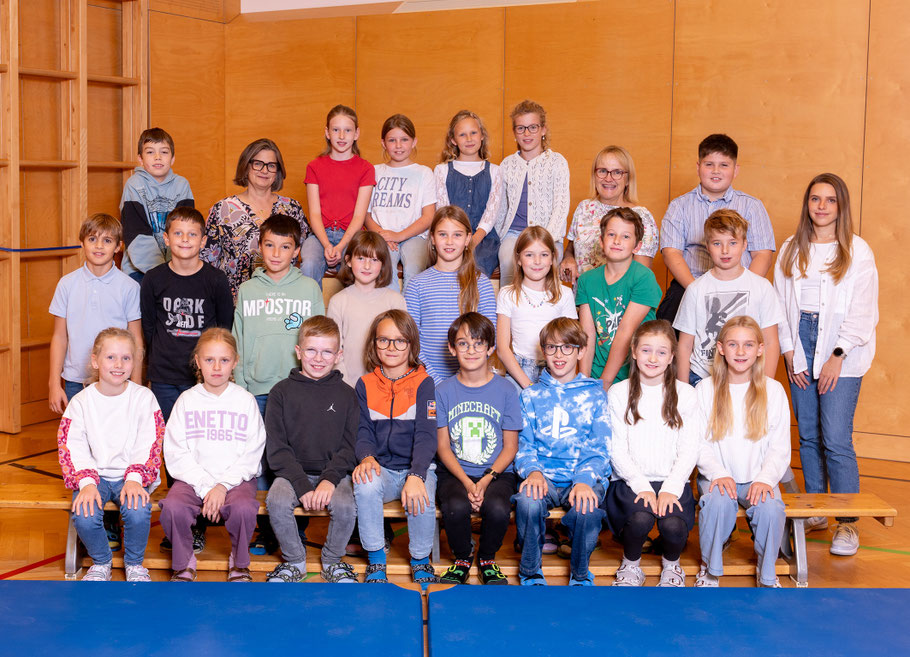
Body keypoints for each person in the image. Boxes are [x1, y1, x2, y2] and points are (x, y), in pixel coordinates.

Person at [774, 173, 878, 556]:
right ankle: (816, 509)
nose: (821, 206)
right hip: (800, 344)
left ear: (840, 206)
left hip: (840, 350)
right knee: (807, 435)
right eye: (815, 199)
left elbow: (863, 312)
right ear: (807, 204)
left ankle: (847, 523)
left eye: (830, 200)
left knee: (835, 437)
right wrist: (790, 352)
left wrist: (837, 354)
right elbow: (779, 306)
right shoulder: (791, 248)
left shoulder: (857, 250)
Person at [159, 329, 265, 583]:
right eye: (209, 360)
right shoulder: (187, 400)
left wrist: (222, 486)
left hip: (236, 480)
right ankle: (184, 563)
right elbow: (175, 451)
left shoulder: (245, 400)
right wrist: (208, 488)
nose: (217, 367)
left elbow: (252, 452)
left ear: (235, 362)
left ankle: (239, 564)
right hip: (194, 480)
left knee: (243, 508)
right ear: (198, 361)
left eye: (224, 360)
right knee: (173, 508)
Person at [57, 327, 162, 582]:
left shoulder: (143, 398)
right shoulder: (81, 402)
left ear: (134, 362)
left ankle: (134, 564)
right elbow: (72, 445)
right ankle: (101, 562)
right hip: (95, 477)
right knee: (84, 514)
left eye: (126, 358)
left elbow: (150, 440)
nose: (119, 364)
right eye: (111, 357)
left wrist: (135, 478)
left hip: (132, 475)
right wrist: (87, 483)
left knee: (138, 510)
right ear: (95, 361)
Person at [513, 317, 610, 586]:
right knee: (527, 501)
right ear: (543, 351)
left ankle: (580, 574)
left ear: (581, 351)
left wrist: (584, 480)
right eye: (552, 347)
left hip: (581, 477)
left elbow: (599, 447)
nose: (559, 355)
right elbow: (524, 444)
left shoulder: (595, 396)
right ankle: (530, 570)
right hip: (543, 477)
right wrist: (533, 472)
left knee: (586, 509)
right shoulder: (530, 396)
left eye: (567, 347)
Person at [695, 316, 790, 588]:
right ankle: (710, 570)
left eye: (748, 345)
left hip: (758, 477)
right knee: (717, 504)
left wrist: (766, 479)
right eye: (733, 344)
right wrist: (718, 473)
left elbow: (780, 446)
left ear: (760, 349)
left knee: (770, 508)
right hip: (718, 475)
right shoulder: (705, 389)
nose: (740, 351)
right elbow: (698, 443)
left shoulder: (773, 390)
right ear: (721, 348)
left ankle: (767, 572)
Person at [265, 316, 360, 583]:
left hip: (336, 475)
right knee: (276, 500)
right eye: (311, 350)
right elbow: (277, 448)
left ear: (338, 355)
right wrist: (301, 484)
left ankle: (332, 561)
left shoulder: (348, 395)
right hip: (291, 474)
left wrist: (329, 480)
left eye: (327, 352)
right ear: (298, 351)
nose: (318, 358)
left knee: (346, 506)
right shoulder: (280, 393)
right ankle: (295, 562)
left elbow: (350, 446)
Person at [606, 320, 698, 587]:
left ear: (671, 357)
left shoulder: (686, 394)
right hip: (630, 480)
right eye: (646, 350)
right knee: (640, 517)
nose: (653, 358)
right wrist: (641, 485)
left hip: (672, 479)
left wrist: (671, 487)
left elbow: (690, 448)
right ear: (634, 351)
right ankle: (631, 565)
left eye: (661, 352)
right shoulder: (619, 392)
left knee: (673, 525)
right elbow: (616, 448)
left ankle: (672, 566)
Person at [435, 313, 521, 585]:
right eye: (463, 343)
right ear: (452, 349)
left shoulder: (507, 390)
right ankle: (462, 558)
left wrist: (484, 481)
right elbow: (442, 446)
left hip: (497, 473)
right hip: (455, 472)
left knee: (497, 508)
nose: (471, 350)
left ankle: (487, 559)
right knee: (455, 506)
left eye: (478, 343)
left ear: (491, 348)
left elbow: (510, 447)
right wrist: (466, 482)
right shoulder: (442, 391)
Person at [353, 309, 437, 584]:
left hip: (417, 467)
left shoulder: (424, 383)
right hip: (384, 470)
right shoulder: (365, 384)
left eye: (400, 341)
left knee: (422, 496)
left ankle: (421, 560)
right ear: (374, 344)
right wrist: (367, 457)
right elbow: (362, 430)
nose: (391, 347)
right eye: (384, 340)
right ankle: (376, 559)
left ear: (411, 344)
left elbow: (426, 435)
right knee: (365, 483)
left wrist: (417, 474)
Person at [657, 133, 775, 323]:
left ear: (735, 170)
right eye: (709, 164)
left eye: (724, 165)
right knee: (666, 324)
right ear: (698, 167)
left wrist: (743, 291)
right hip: (690, 284)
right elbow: (671, 253)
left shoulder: (752, 206)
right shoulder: (679, 206)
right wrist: (697, 291)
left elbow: (763, 254)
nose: (716, 171)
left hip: (740, 286)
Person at [140, 207, 234, 423]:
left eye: (192, 234)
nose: (185, 239)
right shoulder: (153, 279)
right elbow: (149, 327)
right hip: (164, 375)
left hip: (203, 375)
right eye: (178, 233)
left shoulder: (216, 280)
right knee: (166, 432)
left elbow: (224, 327)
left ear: (203, 241)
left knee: (199, 431)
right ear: (166, 239)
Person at [674, 209, 783, 387]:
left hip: (748, 380)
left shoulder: (762, 287)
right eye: (717, 243)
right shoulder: (695, 289)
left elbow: (770, 342)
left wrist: (767, 387)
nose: (725, 250)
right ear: (707, 246)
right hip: (702, 378)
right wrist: (683, 389)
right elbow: (685, 346)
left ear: (744, 244)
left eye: (732, 243)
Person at [49, 213, 142, 412]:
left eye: (107, 240)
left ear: (118, 246)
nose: (99, 246)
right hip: (76, 380)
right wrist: (54, 384)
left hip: (117, 378)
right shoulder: (66, 284)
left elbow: (136, 339)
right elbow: (59, 337)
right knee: (78, 430)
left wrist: (136, 385)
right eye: (92, 239)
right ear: (82, 243)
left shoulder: (129, 287)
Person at [232, 213, 324, 416]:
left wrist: (314, 383)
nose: (276, 253)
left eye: (285, 247)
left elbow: (320, 340)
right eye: (269, 245)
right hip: (256, 392)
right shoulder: (247, 290)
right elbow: (238, 341)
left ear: (296, 251)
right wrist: (241, 387)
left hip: (299, 388)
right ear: (260, 246)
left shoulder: (310, 288)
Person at [203, 138, 308, 301]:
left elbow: (306, 250)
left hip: (284, 300)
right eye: (258, 164)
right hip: (234, 303)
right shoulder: (223, 209)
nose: (264, 170)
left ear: (278, 171)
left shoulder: (292, 208)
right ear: (246, 166)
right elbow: (206, 261)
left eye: (271, 165)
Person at [404, 206, 497, 384]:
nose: (449, 242)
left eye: (457, 235)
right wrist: (436, 381)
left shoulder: (481, 283)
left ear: (468, 239)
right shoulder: (417, 285)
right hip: (427, 379)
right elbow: (412, 341)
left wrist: (462, 381)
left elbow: (490, 337)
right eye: (442, 234)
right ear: (432, 238)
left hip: (470, 380)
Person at [577, 207, 662, 390]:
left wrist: (605, 383)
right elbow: (587, 334)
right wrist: (584, 380)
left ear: (637, 246)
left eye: (626, 236)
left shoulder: (643, 277)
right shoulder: (586, 280)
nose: (617, 241)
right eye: (611, 234)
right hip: (597, 374)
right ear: (601, 241)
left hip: (634, 378)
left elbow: (625, 332)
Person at [497, 99, 570, 286]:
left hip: (548, 235)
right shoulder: (506, 165)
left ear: (543, 129)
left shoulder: (557, 162)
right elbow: (501, 209)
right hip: (513, 234)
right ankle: (508, 303)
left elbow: (561, 207)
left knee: (545, 264)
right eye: (521, 128)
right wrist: (498, 239)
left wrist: (545, 241)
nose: (527, 133)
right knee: (508, 261)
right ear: (514, 132)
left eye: (533, 127)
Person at [561, 145, 658, 284]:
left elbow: (640, 278)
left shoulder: (642, 217)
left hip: (620, 297)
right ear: (594, 175)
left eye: (617, 172)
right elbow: (570, 249)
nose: (608, 178)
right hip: (582, 296)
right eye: (602, 171)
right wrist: (568, 259)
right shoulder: (584, 208)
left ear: (628, 179)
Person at [302, 105, 376, 288]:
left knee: (357, 265)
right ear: (327, 133)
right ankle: (313, 307)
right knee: (309, 264)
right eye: (336, 130)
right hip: (320, 235)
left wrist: (341, 245)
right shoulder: (314, 167)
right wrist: (327, 245)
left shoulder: (366, 168)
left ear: (356, 134)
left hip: (352, 236)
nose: (342, 136)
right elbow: (315, 214)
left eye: (347, 130)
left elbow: (359, 216)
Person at [497, 226, 577, 389]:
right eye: (529, 255)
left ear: (553, 258)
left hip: (556, 368)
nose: (537, 261)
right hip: (519, 371)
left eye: (544, 255)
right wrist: (529, 387)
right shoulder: (507, 294)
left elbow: (572, 343)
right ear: (518, 259)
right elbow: (503, 348)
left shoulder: (565, 294)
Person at [365, 114, 436, 292]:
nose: (398, 145)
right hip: (382, 236)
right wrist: (381, 234)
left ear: (414, 142)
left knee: (414, 267)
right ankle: (392, 308)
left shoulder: (424, 173)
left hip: (415, 236)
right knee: (385, 266)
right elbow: (365, 214)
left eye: (404, 139)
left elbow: (428, 217)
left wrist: (399, 235)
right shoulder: (373, 171)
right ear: (383, 143)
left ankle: (410, 309)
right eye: (392, 140)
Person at [327, 231, 407, 386]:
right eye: (361, 258)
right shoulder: (338, 302)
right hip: (348, 386)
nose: (367, 266)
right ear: (348, 261)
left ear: (383, 264)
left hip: (386, 386)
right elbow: (334, 349)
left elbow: (401, 348)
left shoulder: (395, 301)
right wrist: (346, 386)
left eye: (374, 260)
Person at [119, 127, 194, 282]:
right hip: (138, 271)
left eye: (164, 152)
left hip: (176, 268)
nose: (158, 157)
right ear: (140, 159)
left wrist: (174, 269)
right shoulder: (134, 185)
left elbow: (185, 232)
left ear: (172, 158)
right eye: (150, 152)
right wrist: (162, 272)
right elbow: (137, 236)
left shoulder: (182, 185)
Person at [434, 110, 503, 276]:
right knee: (449, 268)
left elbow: (491, 213)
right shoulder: (441, 170)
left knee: (475, 269)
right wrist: (457, 239)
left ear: (482, 135)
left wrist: (472, 241)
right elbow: (443, 211)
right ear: (453, 140)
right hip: (449, 237)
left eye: (473, 133)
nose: (469, 139)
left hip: (483, 239)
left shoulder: (495, 171)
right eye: (462, 135)